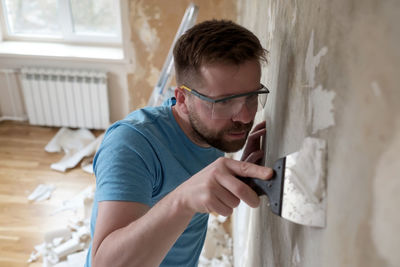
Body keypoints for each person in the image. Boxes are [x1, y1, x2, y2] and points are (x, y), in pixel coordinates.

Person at [85, 19, 274, 267]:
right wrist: (183, 199)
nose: (246, 116)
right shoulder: (131, 145)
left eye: (251, 97)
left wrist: (236, 178)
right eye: (224, 102)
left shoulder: (210, 130)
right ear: (183, 100)